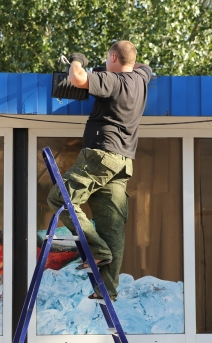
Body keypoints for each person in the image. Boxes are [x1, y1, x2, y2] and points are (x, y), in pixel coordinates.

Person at [47, 40, 152, 301]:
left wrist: (77, 60)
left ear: (113, 57)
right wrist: (125, 62)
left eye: (108, 59)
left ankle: (97, 248)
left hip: (100, 155)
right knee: (112, 225)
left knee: (60, 199)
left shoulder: (113, 81)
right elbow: (144, 66)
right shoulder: (141, 79)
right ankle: (108, 290)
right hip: (123, 162)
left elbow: (78, 78)